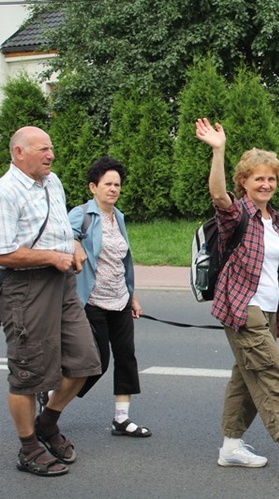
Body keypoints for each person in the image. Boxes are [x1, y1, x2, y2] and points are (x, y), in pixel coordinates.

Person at [194, 117, 279, 481]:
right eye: (258, 179)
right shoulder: (237, 214)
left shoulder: (275, 219)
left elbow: (275, 269)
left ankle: (231, 447)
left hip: (267, 308)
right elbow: (218, 195)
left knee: (244, 379)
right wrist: (218, 150)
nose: (266, 184)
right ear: (244, 183)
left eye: (271, 178)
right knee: (274, 376)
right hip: (241, 308)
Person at [0, 126, 102, 476]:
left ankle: (47, 423)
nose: (51, 155)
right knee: (28, 374)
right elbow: (4, 253)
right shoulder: (6, 192)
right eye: (43, 149)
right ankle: (28, 448)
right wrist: (51, 257)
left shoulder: (52, 181)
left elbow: (61, 228)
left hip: (63, 283)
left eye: (51, 148)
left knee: (87, 362)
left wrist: (72, 247)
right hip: (26, 288)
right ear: (19, 153)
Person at [67, 156, 150, 438]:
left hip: (120, 299)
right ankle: (53, 397)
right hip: (92, 300)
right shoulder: (82, 214)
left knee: (126, 357)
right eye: (107, 184)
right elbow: (64, 237)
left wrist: (133, 296)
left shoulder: (119, 217)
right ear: (93, 187)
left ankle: (121, 419)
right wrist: (76, 243)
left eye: (117, 184)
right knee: (97, 362)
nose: (113, 189)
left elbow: (123, 261)